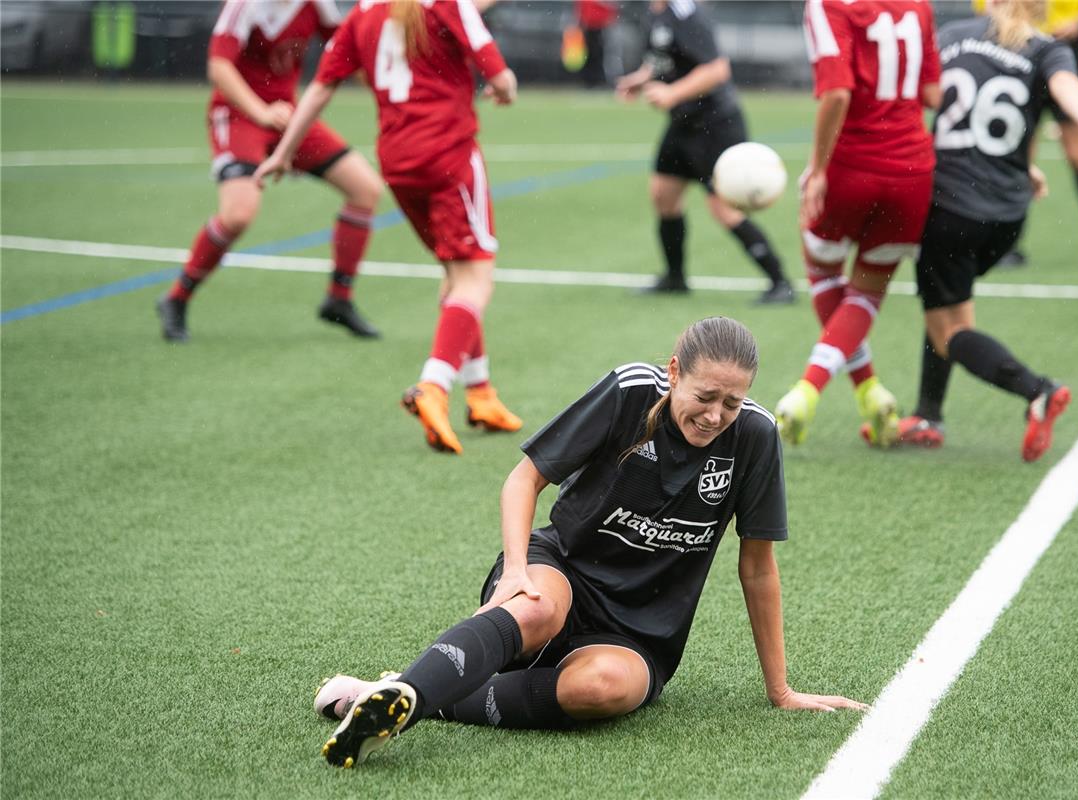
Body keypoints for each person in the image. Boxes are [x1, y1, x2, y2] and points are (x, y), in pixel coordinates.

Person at [308, 317, 866, 768]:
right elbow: (524, 479)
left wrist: (781, 689)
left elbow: (758, 569)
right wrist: (516, 571)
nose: (716, 414)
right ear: (674, 372)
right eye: (706, 395)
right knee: (536, 609)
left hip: (639, 632)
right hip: (562, 571)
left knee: (602, 689)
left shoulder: (755, 437)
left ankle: (408, 697)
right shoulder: (629, 392)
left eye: (733, 401)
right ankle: (408, 691)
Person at [256, 0, 523, 455]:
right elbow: (502, 80)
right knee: (475, 278)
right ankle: (434, 385)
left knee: (455, 274)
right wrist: (502, 90)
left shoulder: (363, 12)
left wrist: (284, 151)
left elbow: (321, 87)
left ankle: (481, 394)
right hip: (448, 156)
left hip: (399, 162)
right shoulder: (446, 5)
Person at [882, 0, 1078, 461]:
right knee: (949, 304)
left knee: (947, 329)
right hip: (1008, 214)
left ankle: (1038, 391)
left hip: (951, 205)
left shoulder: (952, 35)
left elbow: (917, 99)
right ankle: (928, 413)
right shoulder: (1047, 49)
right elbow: (1065, 85)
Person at [156, 0, 384, 343]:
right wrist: (261, 112)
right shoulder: (244, 6)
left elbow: (348, 52)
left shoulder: (316, 5)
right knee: (238, 216)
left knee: (365, 190)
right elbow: (219, 68)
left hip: (287, 116)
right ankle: (176, 298)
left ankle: (339, 299)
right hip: (239, 116)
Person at [774, 0, 942, 449]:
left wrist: (819, 170)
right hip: (911, 171)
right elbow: (932, 94)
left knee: (822, 269)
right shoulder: (918, 5)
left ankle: (808, 389)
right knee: (867, 290)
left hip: (852, 165)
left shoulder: (829, 5)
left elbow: (837, 93)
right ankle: (870, 391)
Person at [615, 0, 794, 304]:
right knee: (663, 195)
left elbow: (716, 69)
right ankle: (675, 278)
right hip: (683, 123)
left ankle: (780, 282)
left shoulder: (685, 13)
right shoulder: (654, 12)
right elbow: (664, 59)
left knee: (724, 208)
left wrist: (672, 93)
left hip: (715, 124)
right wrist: (641, 79)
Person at [981, 0, 1078, 269]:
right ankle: (1012, 244)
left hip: (1065, 50)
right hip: (1021, 50)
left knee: (1077, 156)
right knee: (1021, 156)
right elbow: (986, 8)